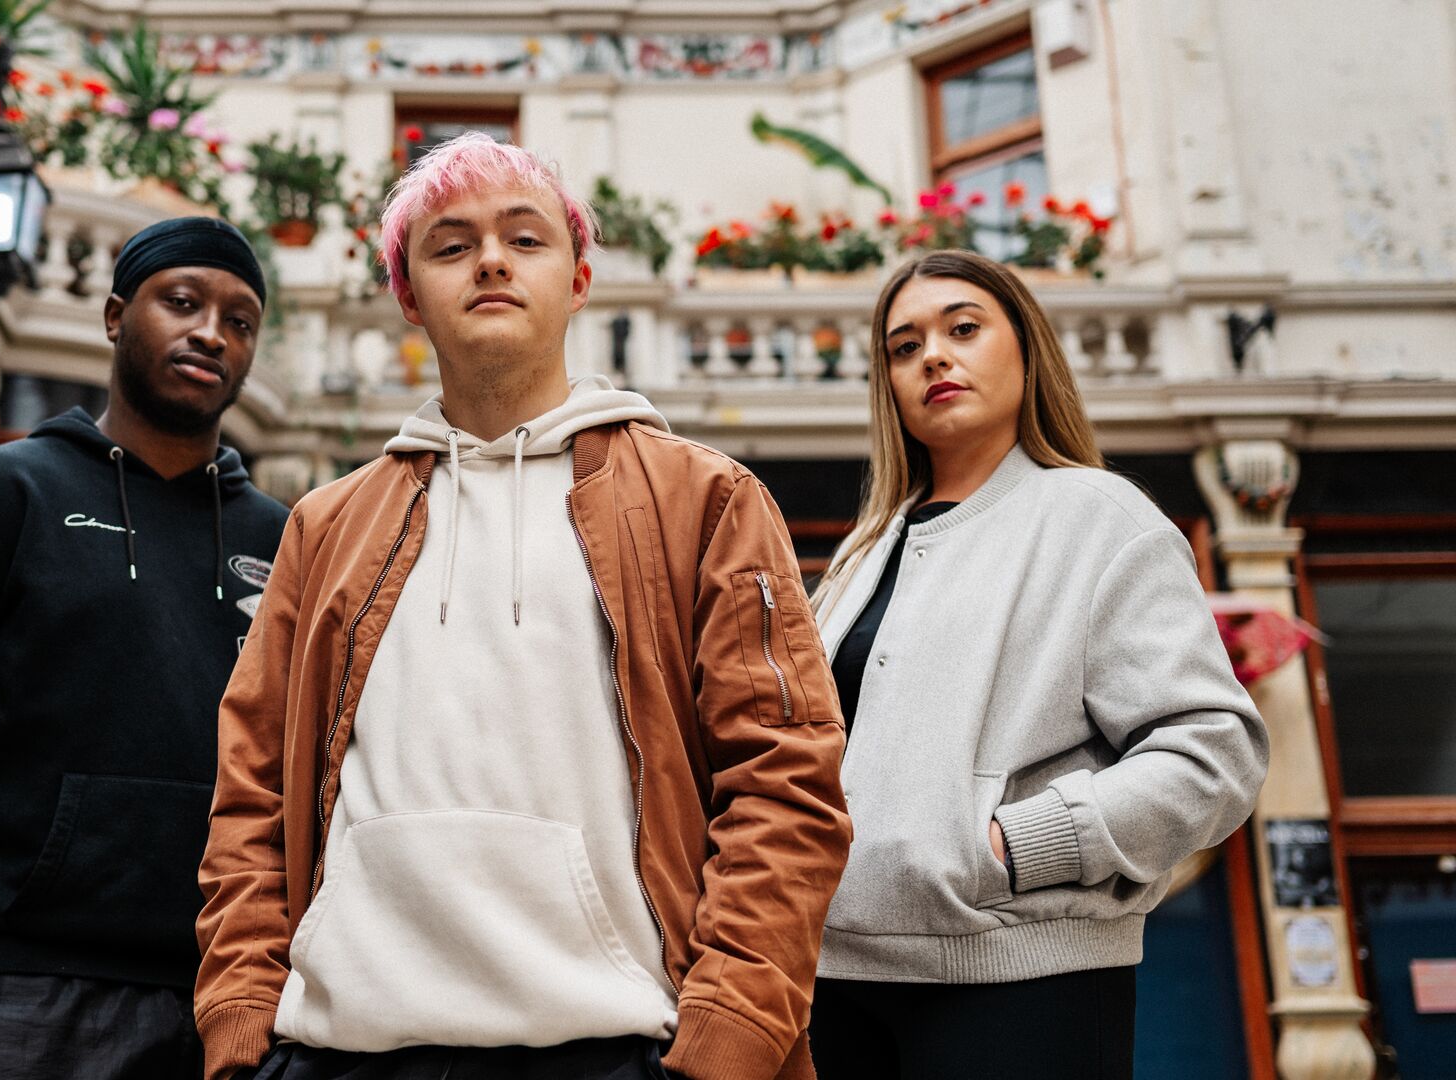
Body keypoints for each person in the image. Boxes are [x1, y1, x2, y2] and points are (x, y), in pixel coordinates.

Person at [194, 132, 852, 1080]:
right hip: (339, 1052)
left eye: (525, 239)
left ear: (579, 280)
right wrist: (240, 1017)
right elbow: (249, 790)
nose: (491, 260)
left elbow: (787, 780)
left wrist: (734, 1037)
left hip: (622, 1048)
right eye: (452, 245)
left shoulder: (704, 501)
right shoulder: (325, 527)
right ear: (409, 295)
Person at [0, 217, 289, 1080]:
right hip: (7, 997)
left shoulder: (285, 543)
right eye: (183, 302)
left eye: (240, 320)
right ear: (117, 316)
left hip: (218, 1002)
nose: (211, 333)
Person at [806, 249, 1269, 1080]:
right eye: (904, 347)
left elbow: (1213, 752)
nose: (933, 357)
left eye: (963, 329)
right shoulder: (861, 553)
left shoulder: (1098, 516)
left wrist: (1016, 845)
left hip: (1022, 975)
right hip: (831, 977)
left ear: (1026, 349)